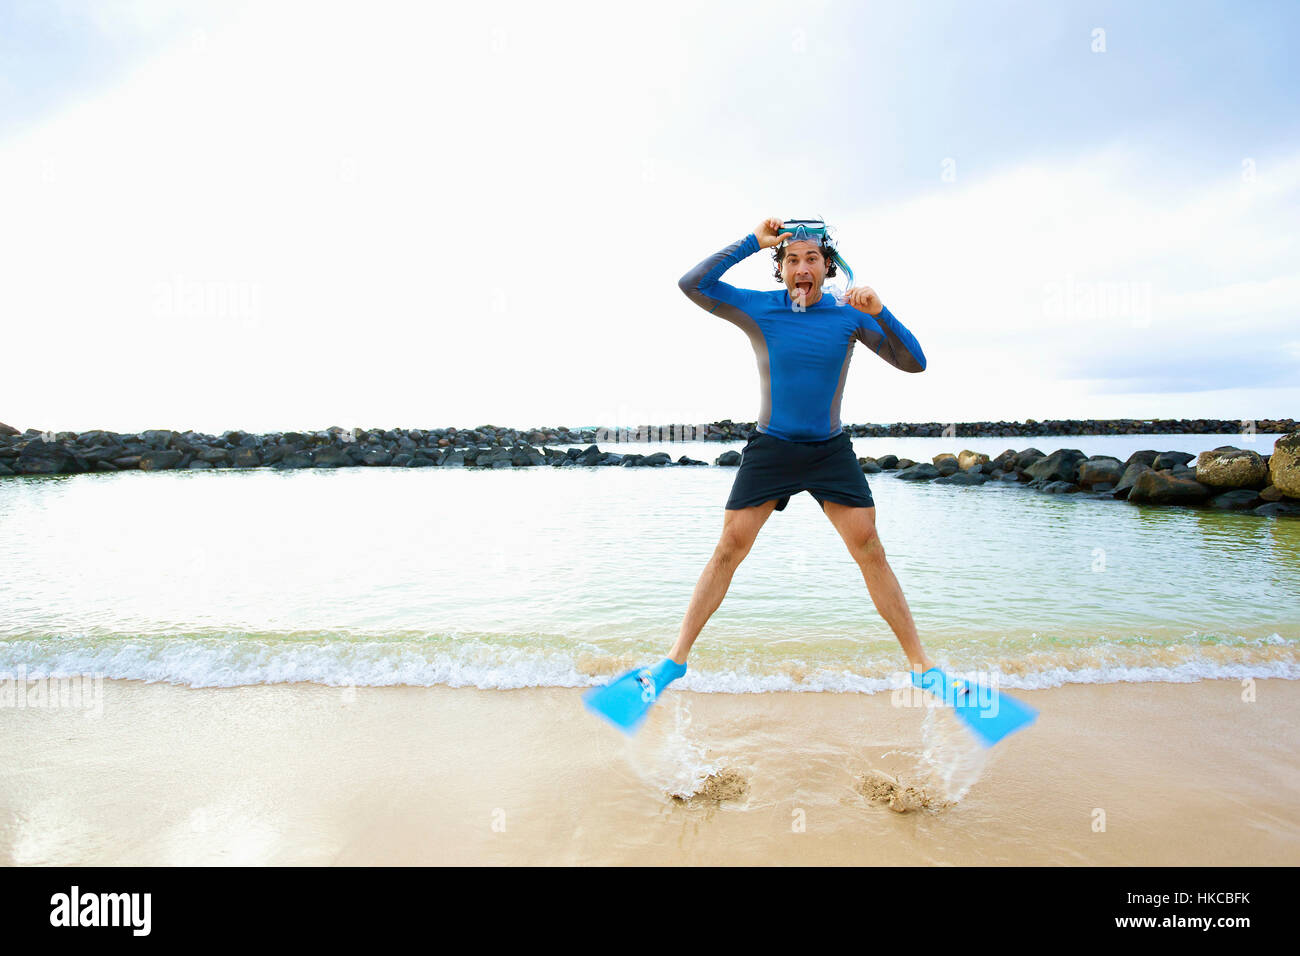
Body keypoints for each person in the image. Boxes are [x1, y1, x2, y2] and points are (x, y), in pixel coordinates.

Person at [582, 216, 937, 732]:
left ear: (827, 267)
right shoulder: (759, 307)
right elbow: (692, 285)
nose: (801, 268)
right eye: (792, 259)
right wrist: (751, 241)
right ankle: (674, 661)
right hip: (772, 446)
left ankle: (920, 665)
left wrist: (883, 313)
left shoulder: (848, 315)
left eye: (812, 258)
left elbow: (914, 364)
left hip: (829, 448)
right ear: (781, 269)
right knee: (731, 544)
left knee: (869, 547)